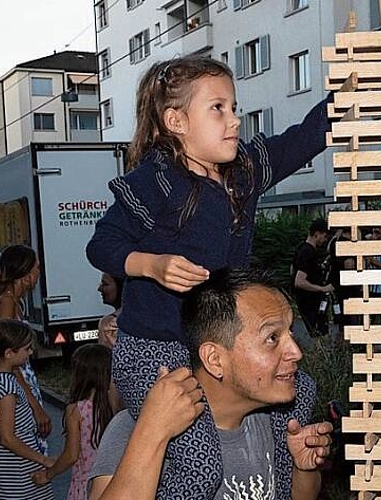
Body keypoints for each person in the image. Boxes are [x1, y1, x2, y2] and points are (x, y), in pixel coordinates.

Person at [86, 55, 327, 496]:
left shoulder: (245, 171)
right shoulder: (155, 181)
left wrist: (352, 97)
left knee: (302, 389)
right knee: (199, 462)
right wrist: (151, 265)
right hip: (152, 352)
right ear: (175, 120)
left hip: (216, 342)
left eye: (234, 108)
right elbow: (101, 244)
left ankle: (272, 474)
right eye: (218, 109)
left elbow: (303, 140)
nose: (234, 120)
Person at [88, 268, 332, 500]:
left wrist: (304, 469)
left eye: (290, 333)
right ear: (215, 360)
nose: (296, 352)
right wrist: (153, 433)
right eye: (272, 338)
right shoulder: (134, 429)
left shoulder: (273, 424)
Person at [0, 244, 51, 453]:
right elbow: (8, 361)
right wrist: (36, 407)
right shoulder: (7, 304)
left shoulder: (7, 302)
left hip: (14, 389)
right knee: (24, 454)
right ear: (25, 273)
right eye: (37, 268)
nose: (39, 272)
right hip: (14, 391)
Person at [0, 319, 55, 500]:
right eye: (26, 349)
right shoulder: (6, 386)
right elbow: (7, 438)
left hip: (1, 467)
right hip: (13, 472)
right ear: (9, 353)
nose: (31, 352)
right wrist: (43, 459)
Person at [31, 344, 114, 499]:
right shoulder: (115, 406)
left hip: (85, 485)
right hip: (112, 482)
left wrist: (47, 475)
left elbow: (71, 455)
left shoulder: (76, 410)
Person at [292, 218, 334, 337]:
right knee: (318, 334)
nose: (325, 240)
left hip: (307, 301)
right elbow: (299, 281)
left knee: (318, 333)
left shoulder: (301, 248)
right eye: (324, 236)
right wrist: (322, 288)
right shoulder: (308, 252)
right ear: (317, 234)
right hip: (310, 303)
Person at [96, 273, 124, 349]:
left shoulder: (108, 323)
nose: (99, 288)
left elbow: (103, 359)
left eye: (105, 284)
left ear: (121, 287)